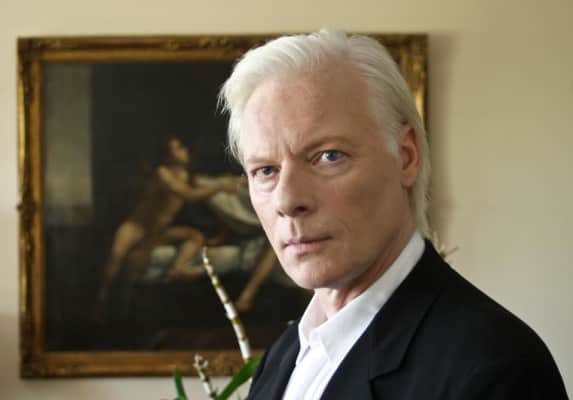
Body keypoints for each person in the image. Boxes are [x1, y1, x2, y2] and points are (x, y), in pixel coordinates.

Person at [218, 30, 568, 399]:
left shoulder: (495, 366)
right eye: (265, 170)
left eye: (328, 156)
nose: (288, 200)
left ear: (406, 157)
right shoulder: (283, 358)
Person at [96, 137, 239, 311]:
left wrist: (232, 181)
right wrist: (220, 187)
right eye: (178, 148)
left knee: (194, 237)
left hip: (158, 231)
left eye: (183, 147)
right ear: (168, 156)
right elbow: (188, 194)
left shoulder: (186, 176)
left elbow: (207, 182)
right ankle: (101, 301)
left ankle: (178, 269)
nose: (185, 151)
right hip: (137, 226)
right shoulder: (162, 173)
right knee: (115, 258)